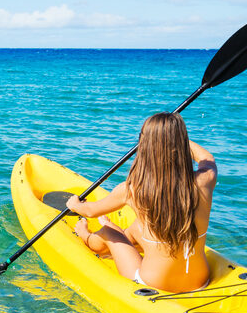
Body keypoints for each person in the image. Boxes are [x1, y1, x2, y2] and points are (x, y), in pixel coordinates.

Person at [65, 112, 217, 293]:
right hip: (200, 281)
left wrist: (75, 204)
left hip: (153, 284)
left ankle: (87, 235)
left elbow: (90, 211)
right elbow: (207, 158)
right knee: (138, 226)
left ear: (146, 145)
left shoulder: (133, 189)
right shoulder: (205, 180)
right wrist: (174, 136)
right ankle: (126, 238)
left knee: (109, 231)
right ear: (181, 143)